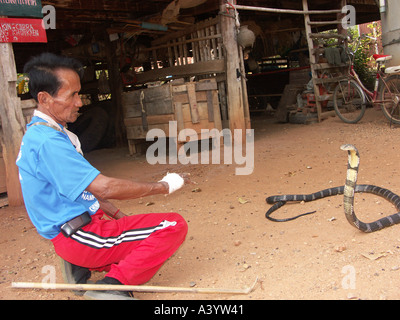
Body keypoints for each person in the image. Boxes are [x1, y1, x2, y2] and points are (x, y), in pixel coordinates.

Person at [16, 52, 189, 300]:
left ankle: (80, 265)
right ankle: (111, 288)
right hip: (82, 236)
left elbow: (87, 190)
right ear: (44, 98)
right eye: (72, 95)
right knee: (172, 225)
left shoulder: (42, 133)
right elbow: (104, 188)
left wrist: (118, 217)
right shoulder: (48, 143)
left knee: (139, 241)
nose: (79, 102)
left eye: (78, 93)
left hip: (74, 230)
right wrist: (163, 186)